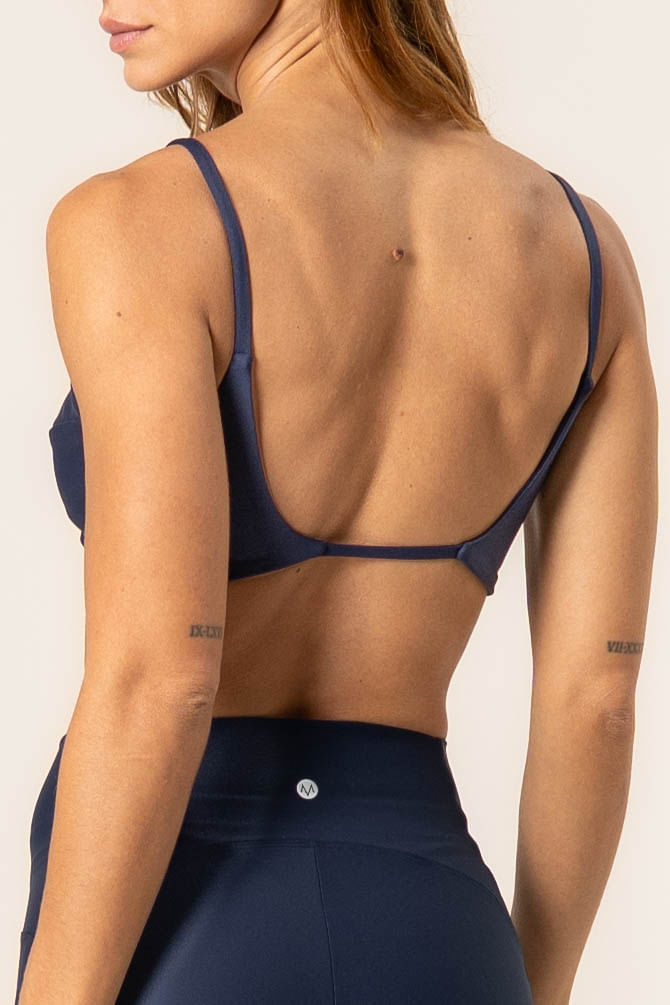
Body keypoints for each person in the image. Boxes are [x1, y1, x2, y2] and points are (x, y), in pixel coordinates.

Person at [15, 1, 658, 1002]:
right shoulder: (587, 255)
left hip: (189, 914)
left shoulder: (141, 222)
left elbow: (161, 680)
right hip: (440, 926)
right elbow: (597, 703)